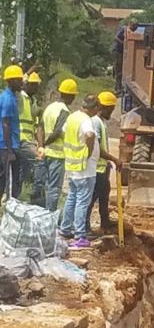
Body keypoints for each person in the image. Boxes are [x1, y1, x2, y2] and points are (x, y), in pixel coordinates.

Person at [60, 95, 99, 249]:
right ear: (93, 107)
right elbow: (89, 135)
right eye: (97, 108)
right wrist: (88, 151)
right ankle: (79, 235)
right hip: (84, 167)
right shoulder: (85, 120)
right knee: (82, 201)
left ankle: (65, 229)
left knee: (72, 198)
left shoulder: (72, 117)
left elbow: (64, 132)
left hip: (72, 165)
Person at [34, 78, 78, 211]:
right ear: (71, 96)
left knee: (40, 184)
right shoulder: (65, 111)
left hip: (44, 153)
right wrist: (46, 144)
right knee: (53, 188)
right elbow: (58, 132)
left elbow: (40, 128)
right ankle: (49, 217)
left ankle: (38, 213)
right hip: (57, 156)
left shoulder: (49, 107)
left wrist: (41, 146)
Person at [87, 91, 120, 233]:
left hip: (102, 167)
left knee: (104, 194)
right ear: (105, 108)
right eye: (111, 109)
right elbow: (97, 148)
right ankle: (85, 226)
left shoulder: (101, 122)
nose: (111, 113)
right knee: (91, 198)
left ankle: (105, 222)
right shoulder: (95, 122)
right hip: (96, 168)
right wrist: (113, 159)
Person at [17, 72, 43, 200]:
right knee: (40, 160)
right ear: (26, 85)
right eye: (33, 85)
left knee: (22, 171)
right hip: (21, 139)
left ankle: (16, 196)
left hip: (29, 140)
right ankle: (37, 193)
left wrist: (40, 144)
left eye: (36, 85)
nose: (36, 88)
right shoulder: (20, 97)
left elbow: (37, 126)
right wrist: (26, 75)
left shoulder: (33, 101)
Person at [0, 65, 23, 199]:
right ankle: (9, 209)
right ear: (11, 81)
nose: (21, 82)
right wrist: (9, 150)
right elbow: (6, 123)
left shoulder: (7, 96)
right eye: (18, 80)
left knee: (3, 180)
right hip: (7, 146)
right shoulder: (8, 99)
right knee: (10, 181)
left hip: (5, 145)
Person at [113, 21, 137, 93]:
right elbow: (116, 37)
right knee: (119, 70)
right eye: (134, 27)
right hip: (117, 51)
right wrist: (124, 44)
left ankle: (119, 87)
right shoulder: (124, 29)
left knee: (122, 70)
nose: (134, 29)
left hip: (122, 52)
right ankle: (118, 88)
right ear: (130, 24)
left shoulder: (131, 32)